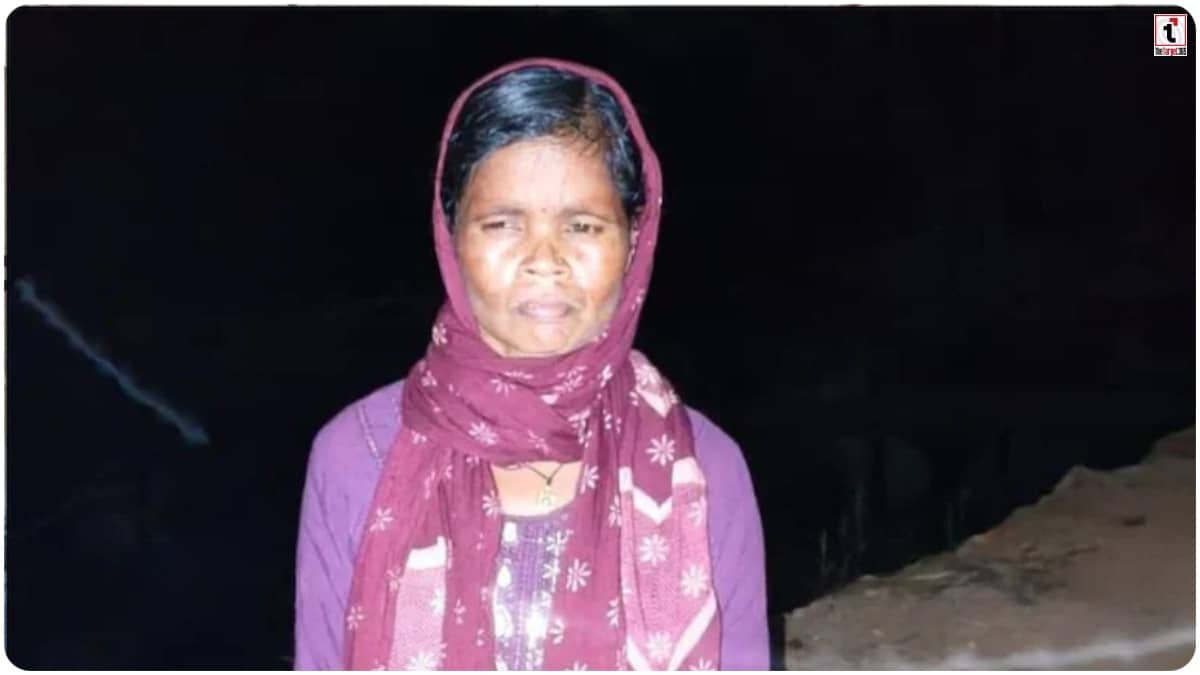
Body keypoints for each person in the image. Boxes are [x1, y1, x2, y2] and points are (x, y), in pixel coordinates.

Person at [293, 57, 768, 670]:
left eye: (583, 226)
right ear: (451, 237)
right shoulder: (357, 457)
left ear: (633, 242)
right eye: (502, 224)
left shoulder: (703, 469)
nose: (546, 260)